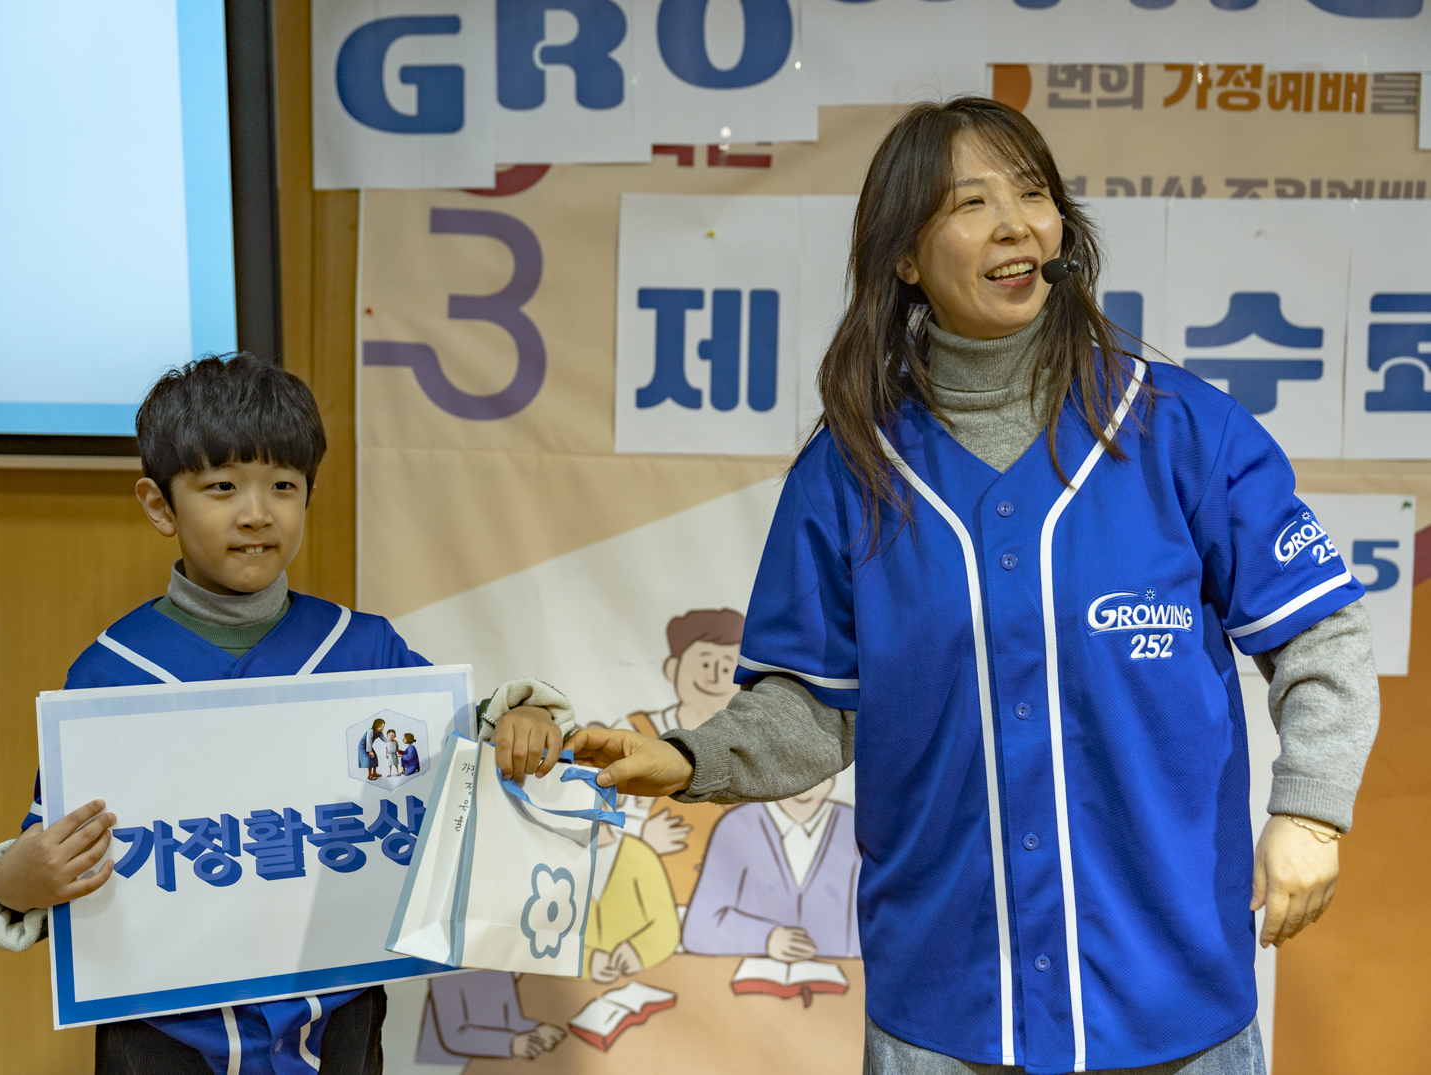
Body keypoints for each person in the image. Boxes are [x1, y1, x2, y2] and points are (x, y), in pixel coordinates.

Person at [567, 98, 1379, 1075]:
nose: (1014, 225)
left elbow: (1322, 637)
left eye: (1032, 195)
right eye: (969, 203)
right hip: (947, 1006)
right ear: (905, 257)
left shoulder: (1181, 430)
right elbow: (813, 707)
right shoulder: (850, 470)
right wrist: (686, 758)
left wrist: (1309, 811)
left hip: (1173, 994)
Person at [0, 354, 573, 1075]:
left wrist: (521, 721)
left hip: (337, 1017)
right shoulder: (112, 672)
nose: (257, 513)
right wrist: (13, 882)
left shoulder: (363, 648)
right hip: (165, 1033)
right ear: (160, 505)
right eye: (221, 486)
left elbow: (463, 749)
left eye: (283, 485)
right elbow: (54, 853)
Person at [615, 608, 745, 904]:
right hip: (647, 900)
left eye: (727, 667)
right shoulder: (633, 731)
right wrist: (639, 833)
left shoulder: (752, 747)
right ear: (672, 668)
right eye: (705, 663)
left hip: (728, 904)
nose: (715, 676)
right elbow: (593, 811)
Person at [681, 777, 860, 962]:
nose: (807, 781)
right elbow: (700, 926)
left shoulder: (854, 825)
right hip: (751, 973)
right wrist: (766, 938)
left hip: (837, 973)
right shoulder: (736, 825)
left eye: (820, 771)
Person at [585, 821, 680, 983]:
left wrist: (638, 951)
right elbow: (541, 936)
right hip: (575, 988)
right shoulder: (555, 861)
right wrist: (586, 960)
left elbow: (666, 924)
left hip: (643, 979)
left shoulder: (639, 853)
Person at [416, 971, 565, 1061]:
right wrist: (511, 1044)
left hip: (491, 1058)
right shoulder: (445, 972)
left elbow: (511, 1021)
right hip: (449, 1064)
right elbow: (455, 1037)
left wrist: (538, 1030)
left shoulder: (498, 967)